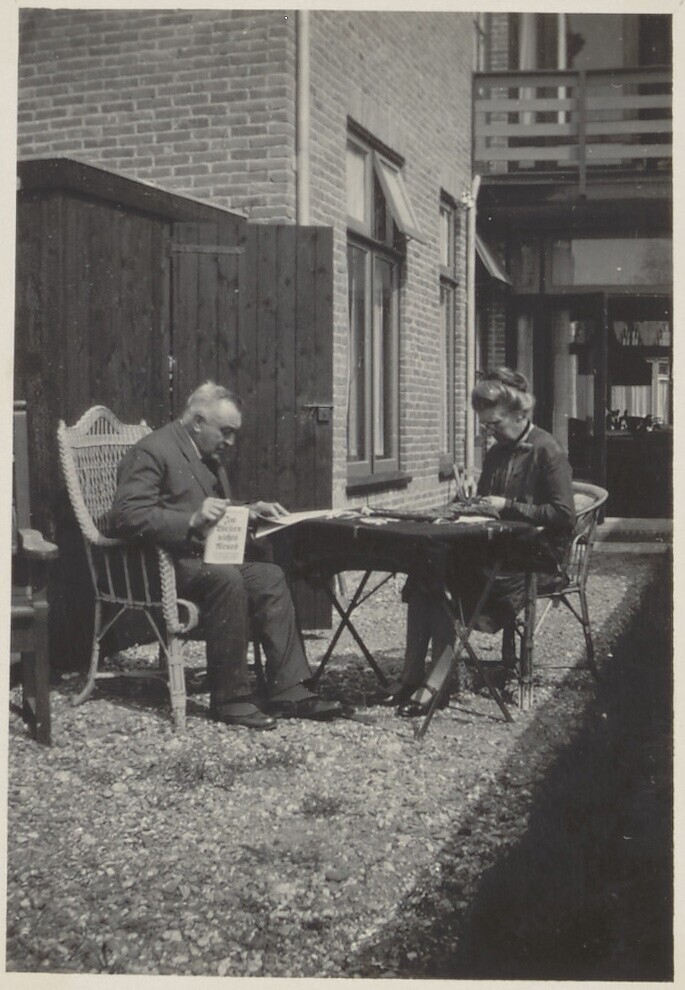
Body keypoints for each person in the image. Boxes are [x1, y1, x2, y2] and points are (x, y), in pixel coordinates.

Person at [109, 381, 342, 730]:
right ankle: (230, 699)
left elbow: (210, 506)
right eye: (226, 431)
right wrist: (190, 520)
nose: (231, 442)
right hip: (166, 567)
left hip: (204, 559)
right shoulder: (153, 451)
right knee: (227, 578)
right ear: (198, 422)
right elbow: (126, 516)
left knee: (269, 576)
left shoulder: (204, 453)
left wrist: (249, 509)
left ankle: (289, 689)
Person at [394, 367, 575, 717]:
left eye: (495, 424)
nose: (490, 432)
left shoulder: (547, 450)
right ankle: (410, 676)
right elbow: (488, 504)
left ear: (520, 414)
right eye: (485, 426)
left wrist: (508, 505)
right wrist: (469, 502)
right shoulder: (496, 452)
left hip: (534, 557)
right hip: (498, 548)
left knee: (442, 575)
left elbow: (564, 515)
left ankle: (436, 683)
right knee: (425, 570)